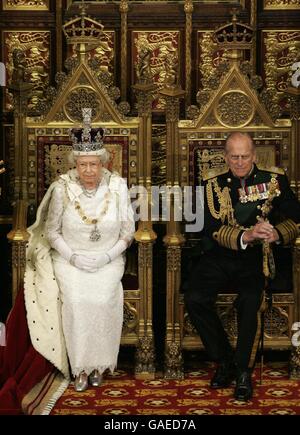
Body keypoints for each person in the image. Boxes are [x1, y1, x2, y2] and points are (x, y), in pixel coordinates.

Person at [24, 108, 135, 394]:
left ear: (102, 162)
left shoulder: (118, 186)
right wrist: (73, 256)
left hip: (108, 260)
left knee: (101, 298)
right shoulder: (62, 189)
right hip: (70, 260)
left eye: (94, 164)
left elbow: (128, 232)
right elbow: (51, 231)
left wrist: (106, 256)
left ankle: (99, 365)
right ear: (75, 164)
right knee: (75, 300)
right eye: (83, 164)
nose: (88, 171)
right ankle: (80, 367)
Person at [185, 131, 300, 401]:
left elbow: (296, 217)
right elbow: (208, 229)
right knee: (195, 298)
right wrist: (245, 235)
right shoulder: (210, 185)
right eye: (234, 157)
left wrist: (276, 233)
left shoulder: (274, 180)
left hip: (256, 258)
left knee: (250, 300)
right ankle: (223, 360)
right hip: (220, 255)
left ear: (254, 155)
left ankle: (243, 372)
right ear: (225, 157)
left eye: (244, 156)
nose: (239, 162)